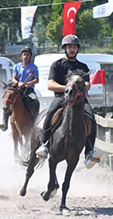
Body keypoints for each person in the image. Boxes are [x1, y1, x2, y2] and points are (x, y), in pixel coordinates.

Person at [34, 34, 103, 168]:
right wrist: (67, 88)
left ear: (77, 49)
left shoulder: (83, 67)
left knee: (91, 117)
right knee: (51, 112)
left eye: (74, 47)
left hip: (80, 100)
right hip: (62, 98)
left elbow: (87, 84)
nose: (72, 49)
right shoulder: (57, 65)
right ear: (65, 48)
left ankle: (89, 151)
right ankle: (45, 144)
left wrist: (84, 86)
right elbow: (50, 84)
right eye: (69, 47)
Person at [0, 46, 39, 131]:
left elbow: (36, 80)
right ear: (21, 56)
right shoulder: (17, 66)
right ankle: (5, 123)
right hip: (18, 89)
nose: (26, 56)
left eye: (27, 55)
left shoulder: (34, 67)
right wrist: (18, 83)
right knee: (8, 101)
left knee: (35, 101)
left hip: (28, 89)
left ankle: (34, 122)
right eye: (24, 54)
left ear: (30, 56)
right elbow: (13, 78)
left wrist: (27, 83)